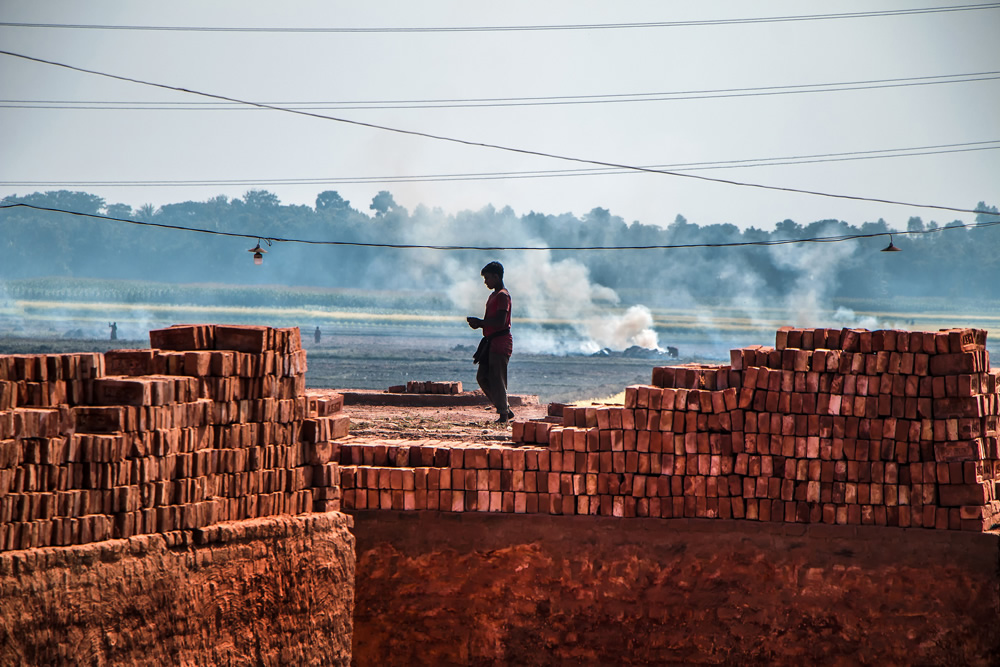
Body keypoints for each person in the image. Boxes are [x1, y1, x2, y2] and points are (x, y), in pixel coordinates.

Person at [467, 261, 514, 424]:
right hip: (490, 341)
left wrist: (480, 323)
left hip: (500, 342)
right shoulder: (494, 295)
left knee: (497, 377)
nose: (485, 281)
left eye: (487, 278)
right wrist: (481, 324)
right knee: (483, 377)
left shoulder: (502, 295)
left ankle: (503, 415)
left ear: (496, 276)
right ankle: (504, 408)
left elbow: (501, 321)